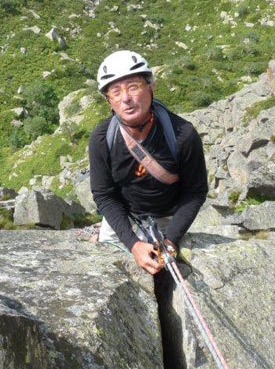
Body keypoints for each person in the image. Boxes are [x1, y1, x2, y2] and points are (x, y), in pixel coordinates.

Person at [89, 49, 208, 275]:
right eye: (115, 92)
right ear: (109, 101)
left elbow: (195, 192)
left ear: (151, 87)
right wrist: (133, 244)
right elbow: (104, 195)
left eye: (133, 86)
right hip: (125, 217)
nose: (126, 98)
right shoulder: (102, 138)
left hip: (168, 216)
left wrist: (171, 239)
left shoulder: (182, 135)